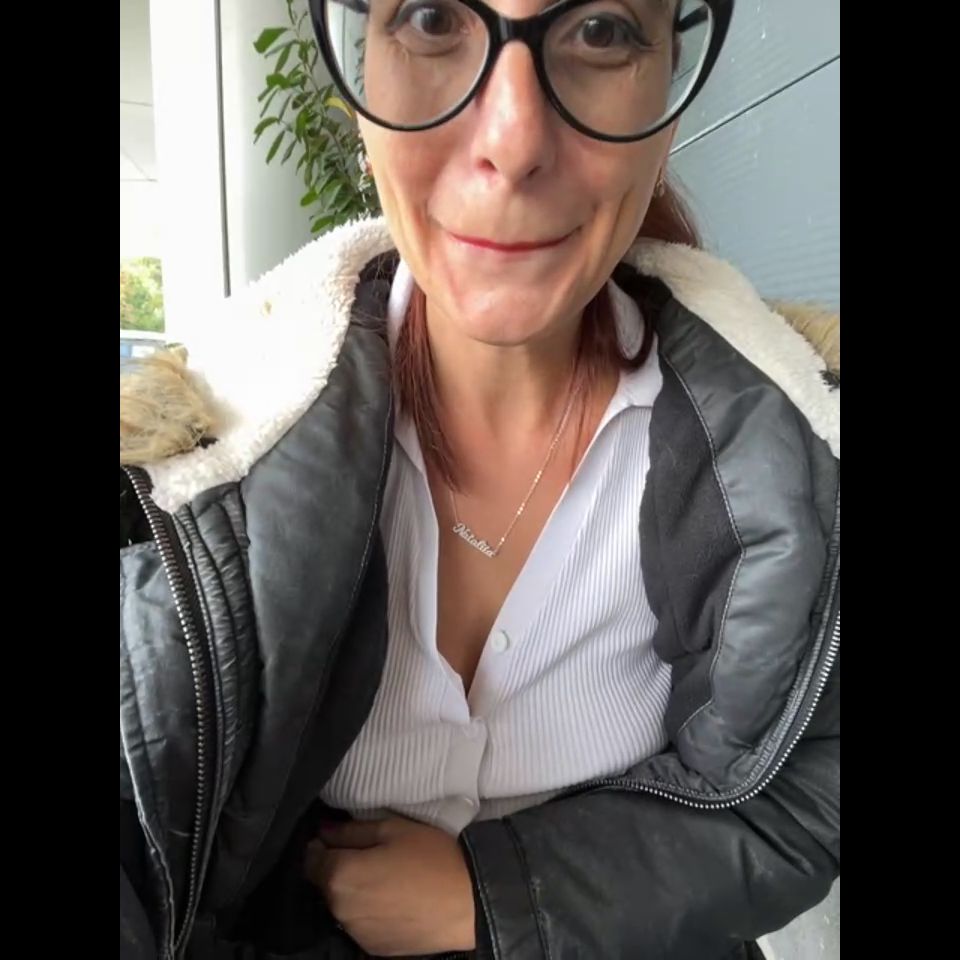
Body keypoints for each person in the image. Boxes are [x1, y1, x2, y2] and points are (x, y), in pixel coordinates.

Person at [120, 0, 840, 957]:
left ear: (669, 84)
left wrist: (496, 896)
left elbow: (805, 799)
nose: (512, 142)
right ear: (361, 84)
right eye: (430, 18)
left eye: (601, 31)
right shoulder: (189, 470)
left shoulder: (800, 443)